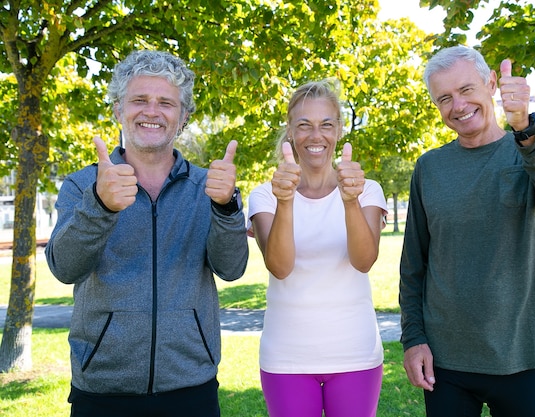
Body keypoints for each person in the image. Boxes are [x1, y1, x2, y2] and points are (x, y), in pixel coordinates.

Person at [45, 50, 249, 417]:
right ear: (117, 110)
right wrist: (101, 206)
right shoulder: (82, 185)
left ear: (183, 117)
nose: (152, 111)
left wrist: (226, 206)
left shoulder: (210, 185)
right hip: (102, 391)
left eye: (166, 103)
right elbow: (64, 268)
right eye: (139, 100)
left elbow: (232, 268)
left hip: (191, 387)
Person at [399, 45, 535, 417]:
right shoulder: (429, 168)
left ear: (492, 84)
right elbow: (413, 265)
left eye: (467, 90)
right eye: (444, 98)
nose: (459, 105)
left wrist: (526, 130)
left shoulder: (529, 148)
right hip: (446, 361)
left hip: (522, 354)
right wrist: (414, 339)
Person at [247, 80, 387, 417]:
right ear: (290, 132)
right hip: (286, 358)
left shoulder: (365, 189)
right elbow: (280, 266)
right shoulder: (265, 195)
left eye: (326, 124)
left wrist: (349, 200)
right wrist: (285, 201)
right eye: (304, 125)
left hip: (356, 353)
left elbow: (364, 260)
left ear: (338, 130)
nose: (316, 135)